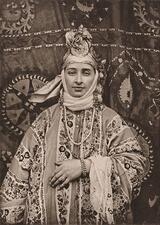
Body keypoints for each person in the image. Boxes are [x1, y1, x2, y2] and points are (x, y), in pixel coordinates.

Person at [0, 25, 148, 225]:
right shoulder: (45, 121)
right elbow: (16, 181)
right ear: (63, 76)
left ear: (96, 77)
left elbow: (135, 166)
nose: (78, 80)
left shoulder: (110, 120)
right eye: (72, 72)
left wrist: (85, 166)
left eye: (86, 72)